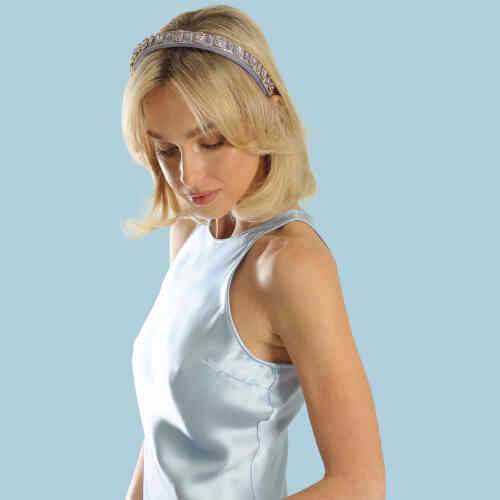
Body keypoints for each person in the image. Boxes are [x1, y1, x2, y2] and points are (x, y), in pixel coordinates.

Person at [122, 5, 385, 500]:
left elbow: (360, 484)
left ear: (269, 116)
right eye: (167, 150)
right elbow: (166, 432)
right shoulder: (190, 233)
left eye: (211, 141)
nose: (188, 177)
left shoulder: (289, 266)